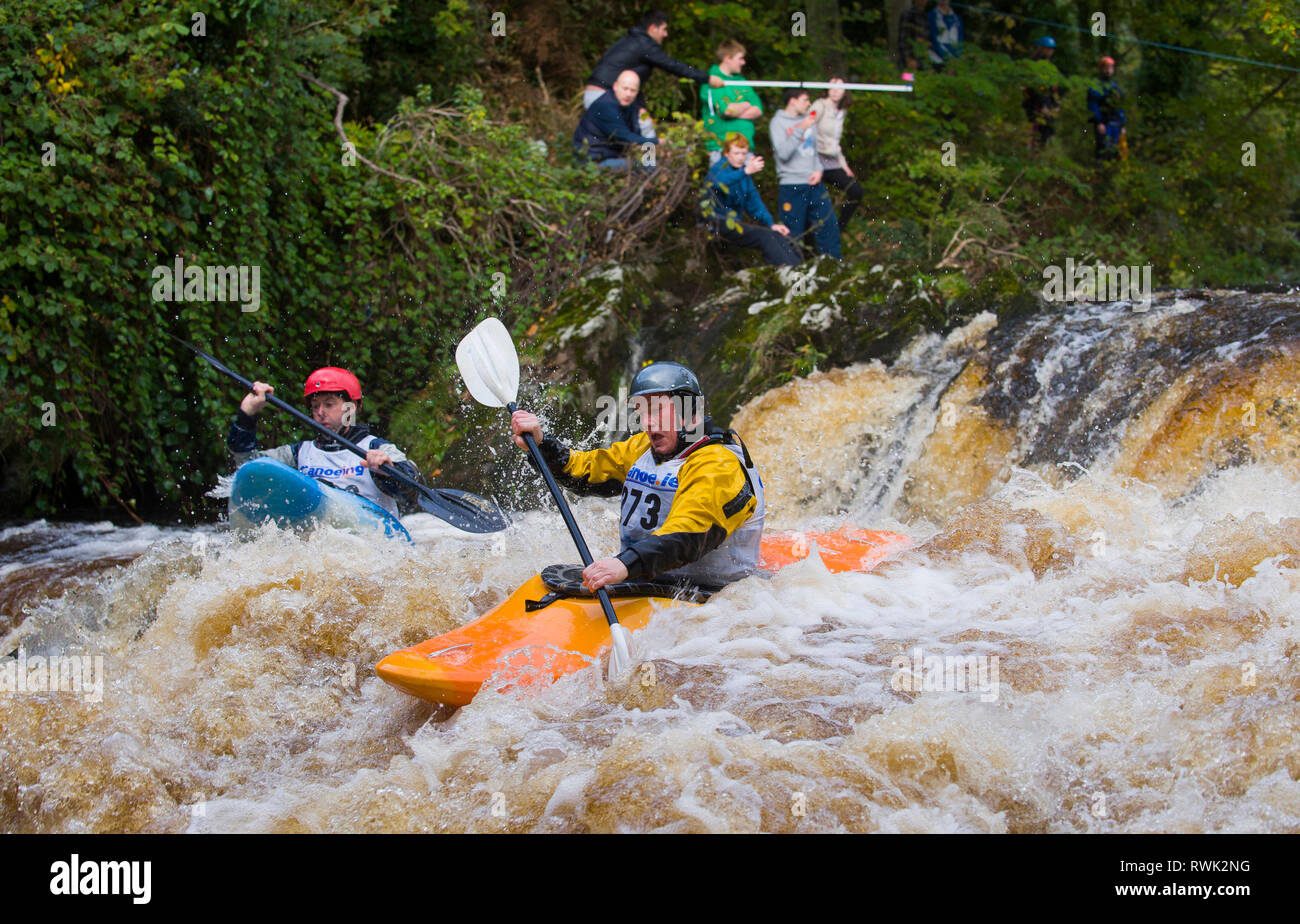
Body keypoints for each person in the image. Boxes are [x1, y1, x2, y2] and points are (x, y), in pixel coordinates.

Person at [509, 362, 765, 592]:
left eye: (657, 410)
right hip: (648, 580)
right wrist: (542, 444)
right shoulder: (644, 447)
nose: (648, 423)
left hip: (715, 597)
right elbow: (586, 471)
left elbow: (688, 533)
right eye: (642, 412)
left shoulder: (718, 464)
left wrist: (624, 563)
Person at [228, 367, 420, 517]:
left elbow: (413, 491)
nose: (320, 412)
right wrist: (247, 414)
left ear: (351, 407)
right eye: (315, 406)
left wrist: (387, 472)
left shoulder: (376, 448)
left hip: (373, 538)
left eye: (329, 404)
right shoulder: (298, 454)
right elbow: (246, 465)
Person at [584, 9, 724, 141]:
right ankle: (648, 164)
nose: (666, 34)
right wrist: (707, 78)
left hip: (598, 94)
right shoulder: (645, 44)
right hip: (603, 96)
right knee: (639, 132)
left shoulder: (632, 41)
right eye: (664, 29)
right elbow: (673, 65)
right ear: (652, 28)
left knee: (641, 126)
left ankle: (643, 164)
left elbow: (632, 84)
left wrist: (640, 107)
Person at [702, 132, 800, 266]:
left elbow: (754, 203)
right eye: (736, 153)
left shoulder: (744, 175)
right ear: (726, 153)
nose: (740, 158)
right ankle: (789, 272)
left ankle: (799, 271)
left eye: (743, 154)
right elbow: (719, 183)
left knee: (777, 235)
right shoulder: (719, 168)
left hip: (733, 222)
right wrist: (745, 172)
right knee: (764, 237)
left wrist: (771, 224)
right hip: (716, 221)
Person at [769, 88, 841, 260]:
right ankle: (791, 272)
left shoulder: (808, 120)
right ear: (792, 100)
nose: (809, 104)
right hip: (792, 184)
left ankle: (833, 267)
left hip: (814, 183)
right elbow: (783, 153)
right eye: (805, 100)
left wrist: (819, 170)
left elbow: (813, 151)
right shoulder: (778, 122)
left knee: (828, 226)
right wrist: (800, 128)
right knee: (792, 232)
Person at [573, 70, 657, 169]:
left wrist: (652, 157)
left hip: (612, 157)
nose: (628, 94)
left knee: (649, 163)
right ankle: (651, 172)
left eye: (632, 90)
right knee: (640, 167)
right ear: (615, 86)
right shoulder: (606, 106)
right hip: (592, 162)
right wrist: (659, 142)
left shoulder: (630, 105)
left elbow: (642, 133)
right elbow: (628, 137)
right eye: (625, 88)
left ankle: (652, 170)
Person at [700, 40, 763, 166]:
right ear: (728, 58)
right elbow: (726, 110)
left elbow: (758, 110)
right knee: (721, 185)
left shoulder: (741, 81)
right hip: (721, 149)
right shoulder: (712, 79)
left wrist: (735, 111)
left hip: (745, 149)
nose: (743, 62)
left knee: (745, 186)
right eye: (740, 58)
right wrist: (746, 104)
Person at [812, 78, 864, 231]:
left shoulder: (841, 112)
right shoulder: (819, 105)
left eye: (839, 87)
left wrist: (844, 165)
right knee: (816, 200)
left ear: (844, 91)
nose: (835, 90)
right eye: (832, 86)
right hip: (815, 159)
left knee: (855, 191)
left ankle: (840, 228)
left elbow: (835, 142)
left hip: (832, 161)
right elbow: (806, 129)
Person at [1023, 36, 1062, 151]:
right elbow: (1031, 88)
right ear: (1041, 48)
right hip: (1035, 103)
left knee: (1046, 130)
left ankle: (1039, 154)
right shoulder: (1033, 65)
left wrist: (1056, 103)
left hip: (1047, 103)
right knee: (1035, 129)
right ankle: (1031, 154)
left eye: (1051, 49)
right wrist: (1042, 106)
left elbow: (1053, 88)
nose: (1050, 51)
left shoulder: (1050, 66)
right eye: (1047, 48)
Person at [1087, 56, 1127, 161]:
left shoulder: (1115, 87)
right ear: (1101, 69)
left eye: (1110, 68)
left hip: (1116, 124)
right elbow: (1093, 105)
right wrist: (1098, 122)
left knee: (1116, 150)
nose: (1108, 70)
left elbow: (1120, 106)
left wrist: (1122, 124)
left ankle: (1113, 173)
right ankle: (1099, 172)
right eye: (1106, 68)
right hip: (1104, 123)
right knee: (1103, 149)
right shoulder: (1096, 86)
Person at [928, 0, 964, 70]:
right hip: (936, 61)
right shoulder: (931, 16)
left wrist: (957, 58)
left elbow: (960, 41)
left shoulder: (957, 19)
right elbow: (934, 41)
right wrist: (949, 60)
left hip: (955, 63)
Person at [897, 0, 929, 74]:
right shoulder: (908, 14)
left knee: (921, 83)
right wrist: (909, 59)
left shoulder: (925, 16)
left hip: (922, 62)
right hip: (908, 63)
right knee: (908, 83)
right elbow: (902, 39)